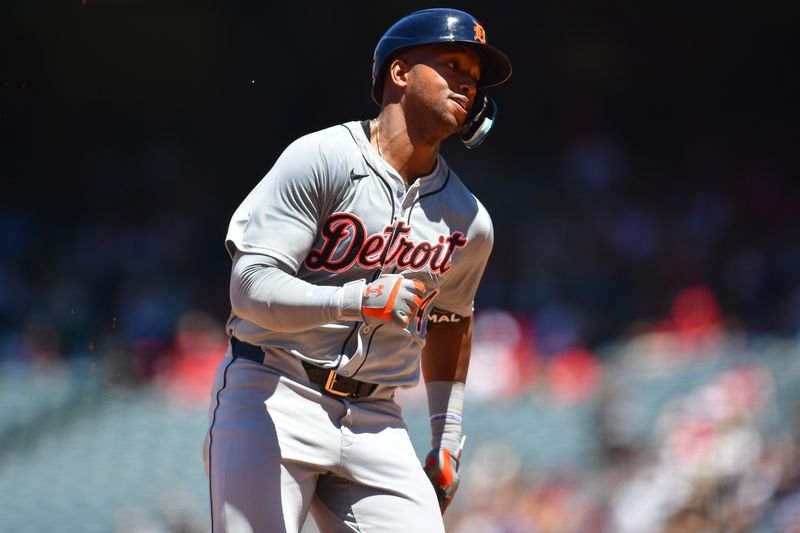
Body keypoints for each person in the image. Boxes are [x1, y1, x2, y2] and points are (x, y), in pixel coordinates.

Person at [203, 8, 512, 532]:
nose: (466, 83)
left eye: (474, 77)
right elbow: (249, 288)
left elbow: (451, 320)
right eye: (453, 63)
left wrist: (446, 439)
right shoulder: (321, 158)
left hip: (377, 419)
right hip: (272, 389)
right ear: (399, 73)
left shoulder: (469, 220)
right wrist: (359, 300)